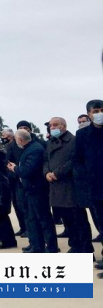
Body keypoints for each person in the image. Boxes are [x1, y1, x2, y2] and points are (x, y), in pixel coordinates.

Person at [45, 117, 92, 254]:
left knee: (78, 220)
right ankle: (75, 246)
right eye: (51, 125)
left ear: (63, 126)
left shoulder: (73, 140)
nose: (52, 127)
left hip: (70, 187)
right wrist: (46, 172)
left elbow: (73, 160)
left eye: (55, 125)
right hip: (56, 187)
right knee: (67, 221)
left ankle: (85, 250)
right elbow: (45, 160)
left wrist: (57, 173)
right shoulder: (50, 142)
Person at [8, 129, 58, 253]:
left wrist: (15, 168)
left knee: (43, 218)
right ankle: (37, 245)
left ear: (20, 139)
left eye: (15, 139)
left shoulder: (35, 149)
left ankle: (51, 246)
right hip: (29, 189)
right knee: (32, 219)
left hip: (37, 189)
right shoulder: (28, 149)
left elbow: (28, 170)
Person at [75, 99, 103, 277]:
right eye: (95, 111)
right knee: (101, 224)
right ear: (89, 114)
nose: (99, 113)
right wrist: (85, 177)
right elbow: (78, 160)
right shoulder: (83, 134)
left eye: (102, 110)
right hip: (95, 187)